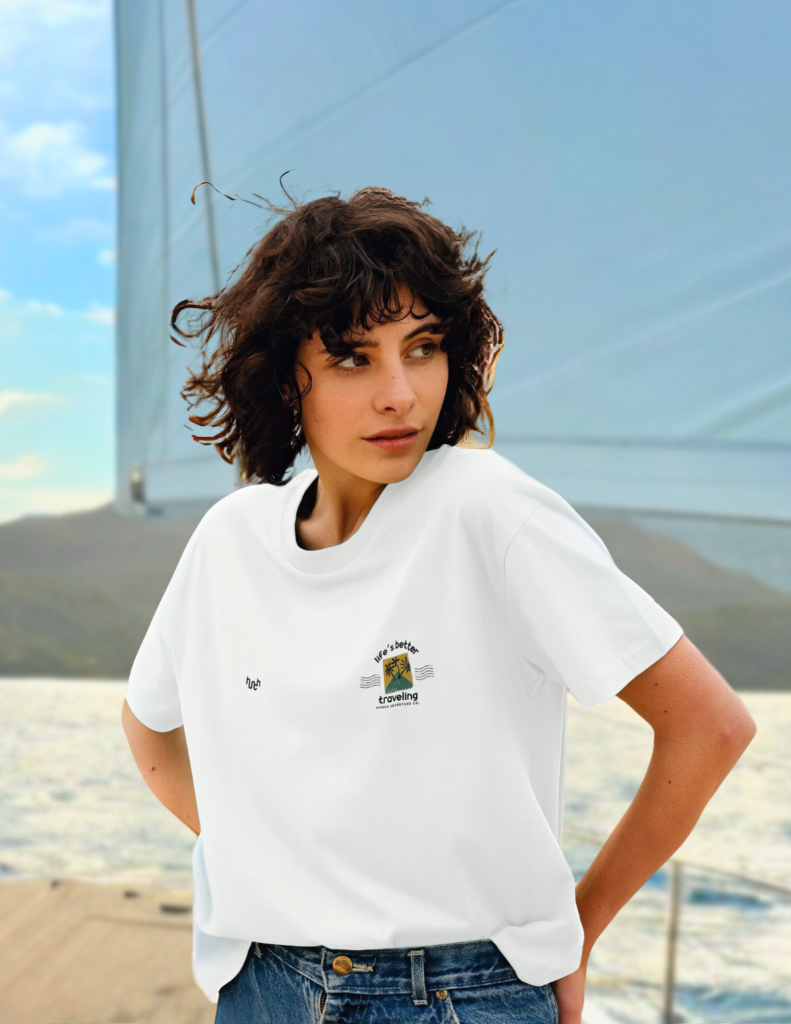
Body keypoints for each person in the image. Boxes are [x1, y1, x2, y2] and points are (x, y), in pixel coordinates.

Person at [122, 186, 756, 1024]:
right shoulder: (230, 537)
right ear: (285, 381)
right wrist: (278, 856)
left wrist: (578, 926)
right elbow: (148, 727)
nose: (400, 394)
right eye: (354, 357)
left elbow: (709, 725)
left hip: (453, 994)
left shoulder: (485, 508)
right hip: (260, 984)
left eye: (420, 348)